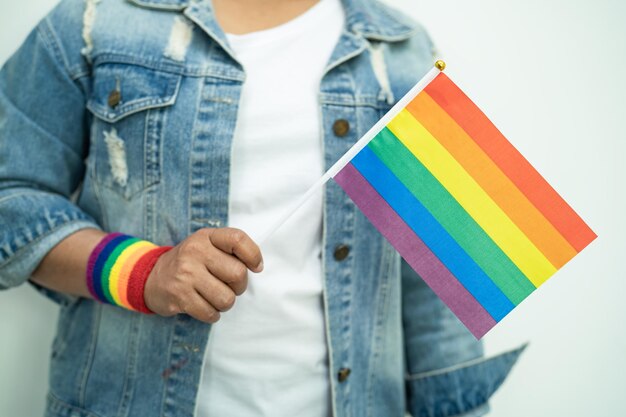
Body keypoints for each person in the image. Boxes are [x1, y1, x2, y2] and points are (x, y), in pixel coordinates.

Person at [0, 0, 525, 416]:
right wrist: (143, 272)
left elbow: (435, 275)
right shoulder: (95, 21)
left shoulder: (403, 50)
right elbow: (11, 197)